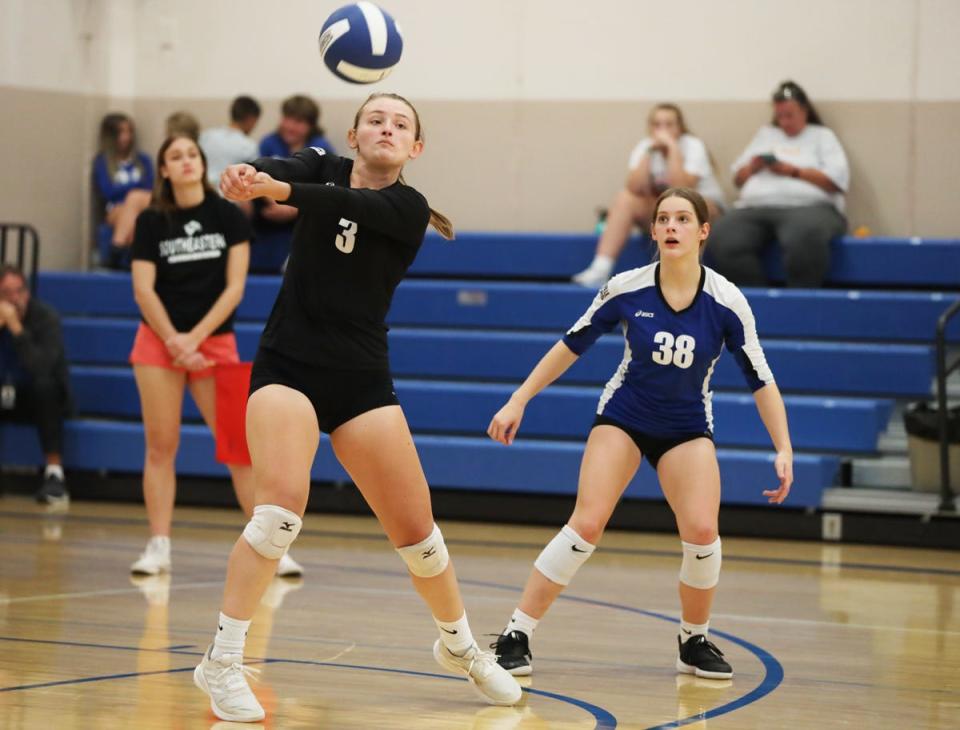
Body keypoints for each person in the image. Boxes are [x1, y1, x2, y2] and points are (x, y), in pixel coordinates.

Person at [192, 92, 522, 722]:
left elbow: (340, 203)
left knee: (419, 538)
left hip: (361, 378)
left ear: (415, 148)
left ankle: (460, 647)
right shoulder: (319, 163)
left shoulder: (408, 206)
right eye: (376, 119)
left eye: (401, 124)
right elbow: (290, 167)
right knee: (277, 517)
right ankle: (222, 662)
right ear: (354, 133)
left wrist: (271, 189)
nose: (387, 128)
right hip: (287, 365)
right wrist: (251, 175)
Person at [488, 187, 794, 680]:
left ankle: (693, 641)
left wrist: (783, 447)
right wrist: (519, 399)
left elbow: (761, 378)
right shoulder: (626, 287)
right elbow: (571, 344)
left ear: (703, 231)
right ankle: (516, 632)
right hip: (625, 416)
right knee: (586, 524)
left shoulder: (727, 300)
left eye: (682, 219)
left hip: (687, 426)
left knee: (702, 532)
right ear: (652, 231)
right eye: (663, 219)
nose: (672, 227)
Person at [127, 134, 302, 579]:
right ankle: (159, 545)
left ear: (202, 164)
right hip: (158, 343)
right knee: (161, 446)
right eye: (175, 157)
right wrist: (174, 342)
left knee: (239, 449)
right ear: (163, 169)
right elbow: (143, 289)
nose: (186, 162)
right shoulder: (151, 221)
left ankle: (269, 548)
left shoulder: (227, 214)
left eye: (192, 155)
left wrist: (195, 340)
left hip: (213, 344)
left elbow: (235, 287)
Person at [707, 80, 849, 287]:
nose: (784, 122)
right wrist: (754, 167)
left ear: (804, 110)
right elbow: (738, 178)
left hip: (809, 208)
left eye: (789, 115)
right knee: (722, 236)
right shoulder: (765, 135)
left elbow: (836, 181)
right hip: (755, 208)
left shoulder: (822, 136)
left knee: (803, 236)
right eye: (779, 116)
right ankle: (756, 301)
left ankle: (800, 302)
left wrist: (792, 171)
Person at [573, 104, 725, 288]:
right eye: (657, 125)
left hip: (704, 210)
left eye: (669, 124)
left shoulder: (692, 145)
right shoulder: (645, 146)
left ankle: (682, 276)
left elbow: (682, 189)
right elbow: (633, 187)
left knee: (682, 204)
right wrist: (650, 152)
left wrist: (672, 149)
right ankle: (600, 268)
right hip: (667, 210)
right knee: (625, 198)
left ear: (680, 127)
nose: (663, 130)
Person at [0, 264, 72, 506]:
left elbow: (41, 367)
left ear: (27, 292)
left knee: (46, 387)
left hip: (34, 398)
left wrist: (17, 330)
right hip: (4, 393)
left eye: (19, 291)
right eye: (6, 294)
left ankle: (54, 475)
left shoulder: (45, 317)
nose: (14, 299)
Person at [256, 95, 337, 229]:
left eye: (298, 121)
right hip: (271, 208)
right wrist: (275, 201)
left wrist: (294, 209)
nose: (290, 126)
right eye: (287, 118)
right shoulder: (269, 142)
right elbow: (259, 174)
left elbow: (328, 187)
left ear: (311, 126)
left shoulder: (321, 147)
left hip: (308, 212)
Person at [93, 113, 154, 248]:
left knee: (135, 198)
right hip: (115, 208)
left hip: (145, 206)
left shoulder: (143, 160)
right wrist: (136, 187)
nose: (126, 137)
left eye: (129, 131)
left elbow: (150, 187)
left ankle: (117, 246)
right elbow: (108, 192)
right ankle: (127, 257)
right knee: (131, 212)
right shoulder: (102, 162)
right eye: (121, 132)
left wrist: (129, 191)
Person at [200, 96, 262, 189]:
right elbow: (254, 179)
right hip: (229, 196)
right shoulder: (248, 146)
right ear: (251, 119)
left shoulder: (207, 135)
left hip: (203, 191)